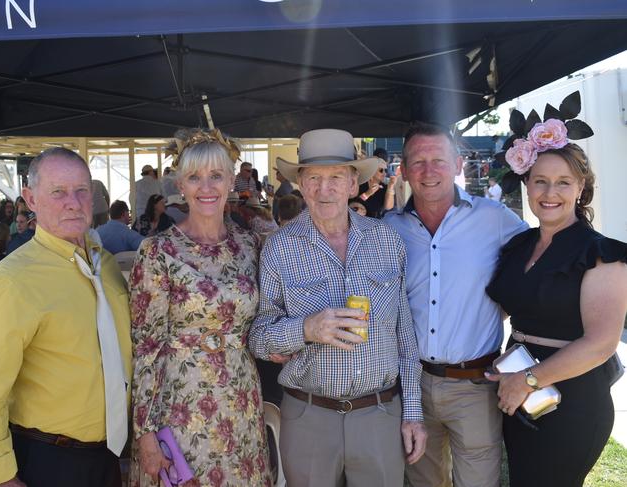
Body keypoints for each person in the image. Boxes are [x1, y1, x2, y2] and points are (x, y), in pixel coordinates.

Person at [249, 128, 426, 487]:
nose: (323, 189)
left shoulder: (387, 241)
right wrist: (305, 329)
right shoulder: (279, 249)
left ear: (352, 185)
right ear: (300, 183)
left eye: (335, 178)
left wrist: (413, 412)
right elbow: (258, 337)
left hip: (379, 413)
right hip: (308, 415)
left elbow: (405, 337)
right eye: (313, 177)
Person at [0, 147, 131, 487]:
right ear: (30, 199)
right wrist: (1, 478)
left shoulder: (105, 266)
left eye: (81, 190)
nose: (73, 202)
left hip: (108, 458)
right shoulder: (13, 281)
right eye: (58, 192)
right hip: (46, 462)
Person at [384, 121, 527, 487]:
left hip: (475, 384)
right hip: (412, 386)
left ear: (459, 164)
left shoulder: (494, 219)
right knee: (422, 482)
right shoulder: (387, 229)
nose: (428, 171)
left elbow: (540, 260)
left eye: (439, 160)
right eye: (417, 161)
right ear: (403, 169)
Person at [485, 119, 627, 486]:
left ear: (581, 187)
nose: (550, 192)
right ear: (527, 185)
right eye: (540, 181)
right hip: (517, 388)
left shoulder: (601, 254)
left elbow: (601, 344)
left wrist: (528, 380)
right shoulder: (519, 246)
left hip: (573, 399)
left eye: (563, 182)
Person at [130, 128, 271, 486]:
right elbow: (146, 347)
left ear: (231, 181)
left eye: (216, 176)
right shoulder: (157, 251)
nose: (206, 187)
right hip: (180, 403)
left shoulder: (249, 244)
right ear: (180, 183)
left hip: (240, 399)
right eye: (195, 177)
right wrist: (144, 432)